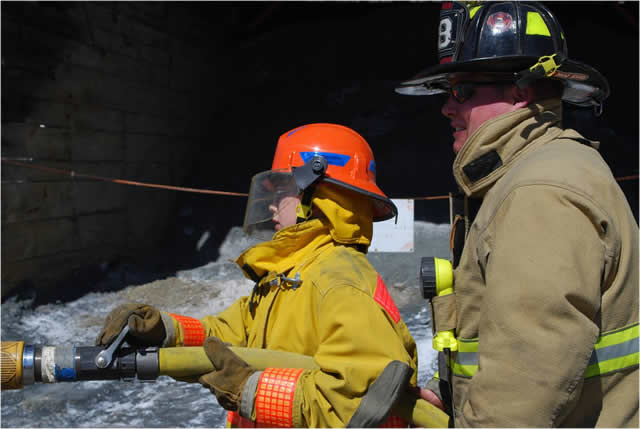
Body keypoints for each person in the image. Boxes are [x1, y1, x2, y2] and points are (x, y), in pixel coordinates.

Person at [395, 1, 639, 427]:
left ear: (521, 91)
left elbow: (528, 375)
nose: (447, 108)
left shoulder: (538, 190)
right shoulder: (537, 173)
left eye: (461, 91)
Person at [95, 123, 418, 428]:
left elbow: (361, 402)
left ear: (322, 196)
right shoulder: (289, 275)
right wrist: (161, 330)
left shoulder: (340, 283)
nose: (273, 206)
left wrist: (251, 391)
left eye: (282, 192)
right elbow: (226, 335)